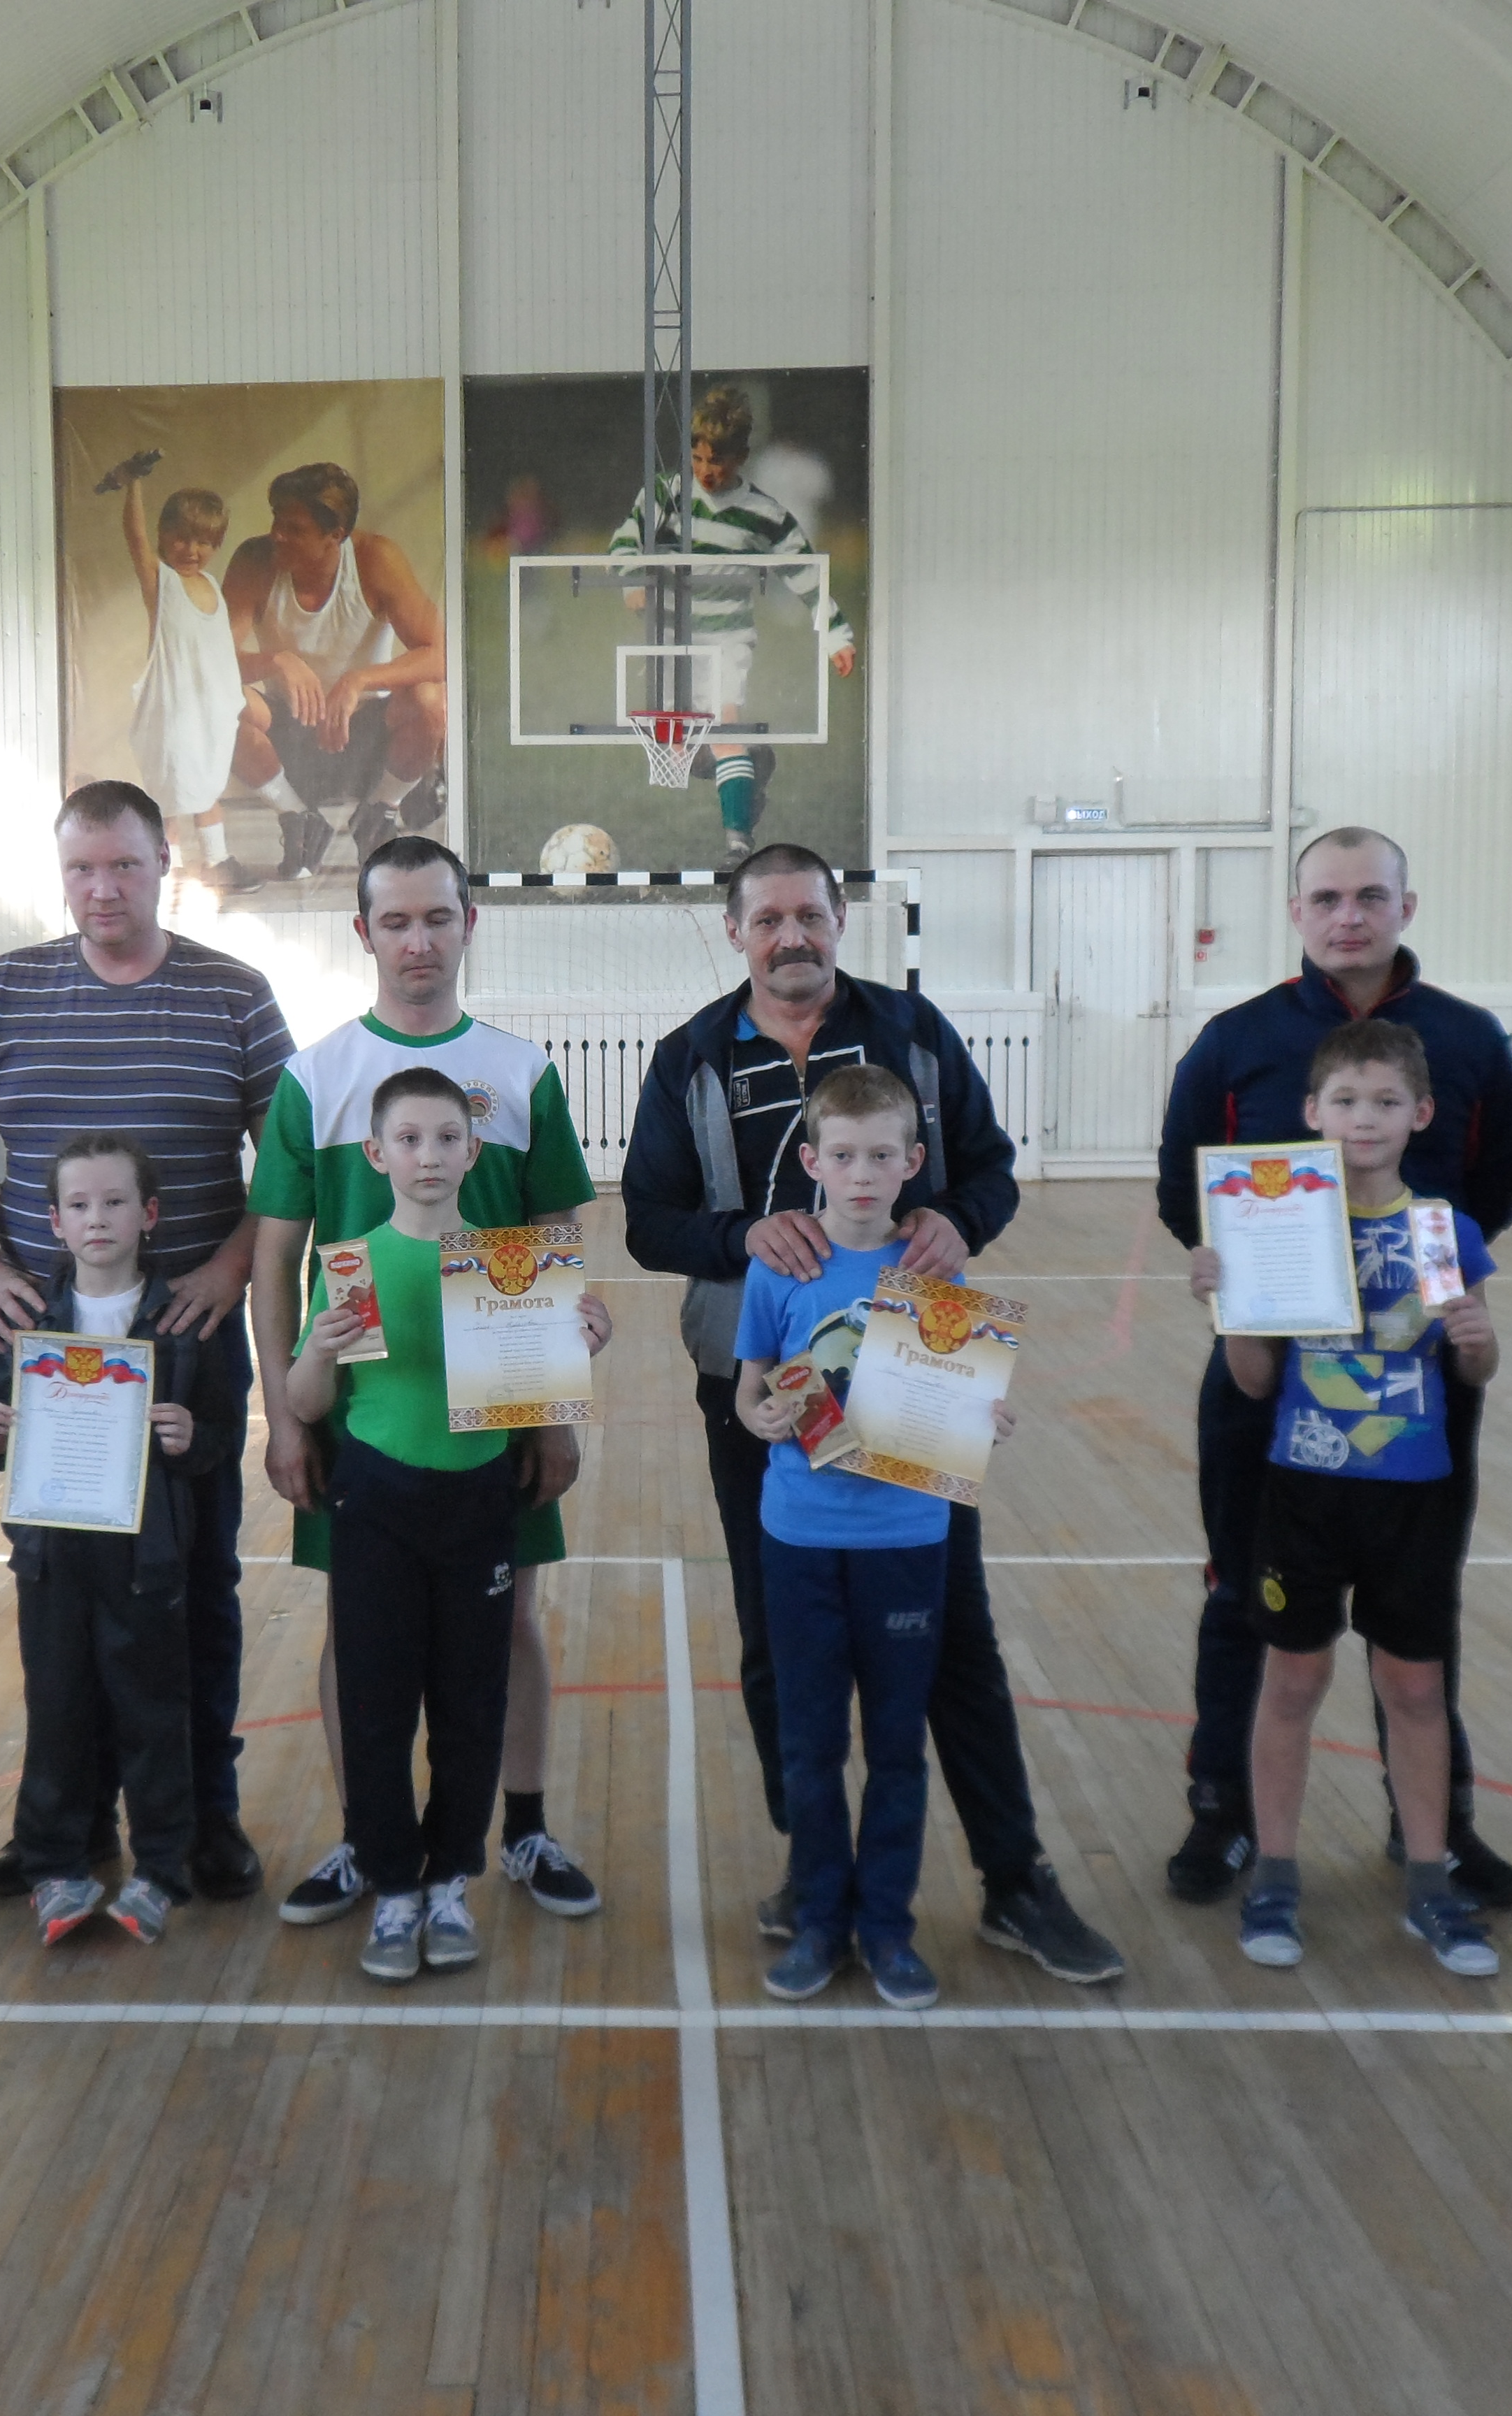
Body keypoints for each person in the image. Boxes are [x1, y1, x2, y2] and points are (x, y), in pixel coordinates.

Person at [622, 842, 1123, 1983]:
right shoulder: (691, 1057)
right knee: (775, 1641)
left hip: (916, 1372)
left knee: (957, 1641)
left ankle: (1014, 1879)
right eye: (767, 920)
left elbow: (992, 1168)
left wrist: (960, 1220)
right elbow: (648, 1218)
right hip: (760, 1390)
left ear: (839, 918)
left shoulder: (912, 1033)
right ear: (734, 932)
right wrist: (740, 1234)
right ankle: (815, 1878)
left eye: (808, 914)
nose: (789, 936)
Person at [1151, 827, 1512, 1910]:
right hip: (1270, 1380)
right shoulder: (1236, 1042)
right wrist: (1252, 1293)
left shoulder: (1467, 1040)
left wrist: (1427, 1311)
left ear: (1408, 906)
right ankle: (1224, 1811)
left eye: (1370, 896)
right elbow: (1187, 1188)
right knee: (1245, 1592)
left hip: (1418, 1387)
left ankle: (1435, 1827)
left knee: (1417, 1617)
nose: (1348, 916)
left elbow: (1493, 1188)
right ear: (1296, 911)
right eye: (1326, 898)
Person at [250, 835, 611, 1930]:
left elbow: (554, 1236)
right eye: (396, 921)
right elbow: (274, 1259)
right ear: (363, 932)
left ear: (469, 925)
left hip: (497, 1420)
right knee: (355, 1635)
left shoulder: (521, 1073)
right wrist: (282, 1417)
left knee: (511, 1622)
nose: (419, 941)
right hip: (363, 1422)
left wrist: (554, 1413)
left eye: (438, 918)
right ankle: (368, 1842)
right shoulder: (315, 1078)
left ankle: (523, 1827)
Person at [0, 784, 291, 1904]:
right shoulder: (5, 988)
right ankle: (70, 1823)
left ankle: (203, 1820)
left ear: (164, 864)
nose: (102, 890)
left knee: (197, 1589)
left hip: (187, 1344)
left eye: (124, 866)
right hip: (53, 1353)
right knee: (62, 1600)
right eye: (82, 869)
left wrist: (230, 1269)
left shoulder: (234, 994)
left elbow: (287, 1166)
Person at [1189, 1022, 1504, 1979]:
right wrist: (1231, 1307)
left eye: (1385, 1102)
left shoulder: (1441, 1233)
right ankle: (1276, 1874)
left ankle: (1430, 1879)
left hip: (1413, 1497)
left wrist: (1479, 1337)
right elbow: (1254, 1382)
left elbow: (1474, 1367)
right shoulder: (1282, 1226)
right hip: (1304, 1490)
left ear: (1421, 1114)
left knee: (1414, 1689)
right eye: (1346, 1101)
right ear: (1312, 1113)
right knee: (1292, 1682)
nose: (1365, 1119)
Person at [282, 1068, 598, 1983]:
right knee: (376, 1699)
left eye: (447, 1139)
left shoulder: (510, 1268)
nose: (429, 1156)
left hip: (477, 1500)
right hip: (376, 1501)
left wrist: (576, 1343)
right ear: (376, 1154)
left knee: (471, 1700)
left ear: (474, 1152)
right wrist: (319, 1351)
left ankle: (451, 1879)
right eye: (410, 1140)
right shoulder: (351, 1266)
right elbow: (305, 1400)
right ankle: (392, 1885)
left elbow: (537, 1385)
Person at [735, 1067, 1016, 2011]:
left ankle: (888, 1927)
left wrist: (981, 1417)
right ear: (812, 1163)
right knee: (811, 1746)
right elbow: (751, 1390)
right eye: (844, 1156)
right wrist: (762, 1417)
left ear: (913, 1163)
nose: (862, 1174)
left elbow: (953, 1398)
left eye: (881, 1156)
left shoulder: (936, 1273)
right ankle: (820, 1920)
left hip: (908, 1535)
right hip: (800, 1538)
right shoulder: (779, 1271)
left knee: (897, 1745)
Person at [0, 1133, 224, 1949]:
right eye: (79, 1205)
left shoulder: (183, 1324)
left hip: (148, 1561)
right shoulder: (28, 1325)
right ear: (54, 1221)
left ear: (149, 1214)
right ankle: (54, 1865)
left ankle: (162, 1868)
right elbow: (0, 1433)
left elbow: (216, 1438)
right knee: (56, 1712)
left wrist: (192, 1437)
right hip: (50, 1560)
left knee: (152, 1717)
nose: (98, 1218)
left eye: (115, 1202)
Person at [606, 384, 858, 863]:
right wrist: (633, 578)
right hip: (671, 640)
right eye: (698, 459)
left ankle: (737, 843)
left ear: (741, 458)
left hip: (727, 638)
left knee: (725, 729)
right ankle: (749, 773)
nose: (706, 471)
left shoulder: (765, 514)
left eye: (718, 462)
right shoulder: (667, 492)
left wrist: (836, 635)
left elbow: (807, 575)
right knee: (680, 752)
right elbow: (624, 540)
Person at [221, 462, 447, 881]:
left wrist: (359, 680)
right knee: (218, 703)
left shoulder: (375, 559)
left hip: (367, 735)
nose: (277, 535)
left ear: (336, 535)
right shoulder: (255, 560)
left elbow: (441, 653)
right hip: (292, 735)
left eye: (294, 528)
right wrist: (276, 660)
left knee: (432, 698)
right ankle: (297, 816)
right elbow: (212, 660)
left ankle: (381, 811)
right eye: (276, 520)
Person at [107, 456, 261, 894]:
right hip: (173, 712)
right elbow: (135, 540)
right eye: (181, 538)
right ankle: (168, 873)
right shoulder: (162, 583)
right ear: (163, 537)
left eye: (204, 542)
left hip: (207, 713)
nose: (192, 550)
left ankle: (218, 862)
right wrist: (133, 485)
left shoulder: (211, 585)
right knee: (171, 799)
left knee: (208, 789)